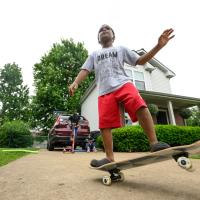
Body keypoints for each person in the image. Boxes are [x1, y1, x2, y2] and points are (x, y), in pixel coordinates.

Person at [69, 24, 174, 167]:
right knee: (104, 125)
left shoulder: (121, 49)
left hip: (123, 84)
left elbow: (140, 60)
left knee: (140, 105)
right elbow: (85, 70)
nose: (104, 30)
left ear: (113, 36)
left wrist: (158, 46)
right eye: (101, 30)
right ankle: (109, 157)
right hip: (105, 92)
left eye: (107, 29)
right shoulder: (94, 54)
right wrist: (76, 82)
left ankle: (154, 143)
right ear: (99, 39)